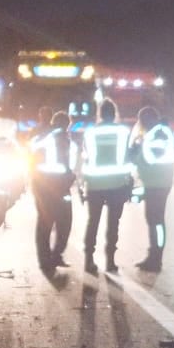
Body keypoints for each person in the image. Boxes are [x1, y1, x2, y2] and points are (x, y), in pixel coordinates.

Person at [77, 98, 135, 273]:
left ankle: (88, 260)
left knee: (92, 222)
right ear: (114, 113)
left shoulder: (90, 133)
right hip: (117, 184)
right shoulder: (124, 132)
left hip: (94, 184)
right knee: (113, 224)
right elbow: (128, 156)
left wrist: (82, 183)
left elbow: (85, 157)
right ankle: (110, 261)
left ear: (100, 114)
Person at [28, 108, 76, 269]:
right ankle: (53, 256)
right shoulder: (60, 137)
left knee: (46, 222)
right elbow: (65, 165)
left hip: (44, 186)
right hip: (57, 186)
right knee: (63, 222)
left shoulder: (39, 137)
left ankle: (47, 258)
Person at [132, 107, 174, 271]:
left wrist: (137, 155)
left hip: (159, 183)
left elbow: (154, 156)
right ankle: (153, 256)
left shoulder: (159, 133)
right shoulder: (155, 132)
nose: (141, 124)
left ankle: (156, 259)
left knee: (156, 221)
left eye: (142, 120)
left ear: (148, 118)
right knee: (153, 220)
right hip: (155, 183)